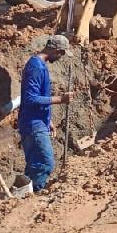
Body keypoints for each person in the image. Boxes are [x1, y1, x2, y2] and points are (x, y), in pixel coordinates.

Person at [17, 34, 71, 192]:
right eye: (61, 53)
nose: (61, 57)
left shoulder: (40, 65)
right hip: (33, 124)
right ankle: (34, 196)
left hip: (39, 122)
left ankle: (23, 195)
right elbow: (30, 98)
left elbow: (40, 97)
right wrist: (61, 99)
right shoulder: (36, 67)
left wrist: (49, 121)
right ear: (55, 50)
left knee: (35, 164)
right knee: (45, 163)